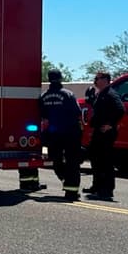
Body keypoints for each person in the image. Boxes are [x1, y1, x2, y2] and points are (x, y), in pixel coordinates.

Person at [40, 70, 84, 201]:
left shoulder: (43, 97)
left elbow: (43, 116)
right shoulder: (68, 94)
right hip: (71, 133)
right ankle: (71, 191)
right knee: (72, 162)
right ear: (60, 78)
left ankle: (65, 178)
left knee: (56, 160)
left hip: (53, 134)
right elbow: (77, 112)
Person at [85, 71, 125, 201]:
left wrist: (110, 124)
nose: (95, 80)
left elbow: (120, 110)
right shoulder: (100, 94)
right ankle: (96, 186)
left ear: (106, 80)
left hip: (106, 133)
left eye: (98, 78)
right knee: (95, 159)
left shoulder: (111, 94)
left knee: (105, 161)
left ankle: (107, 190)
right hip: (98, 131)